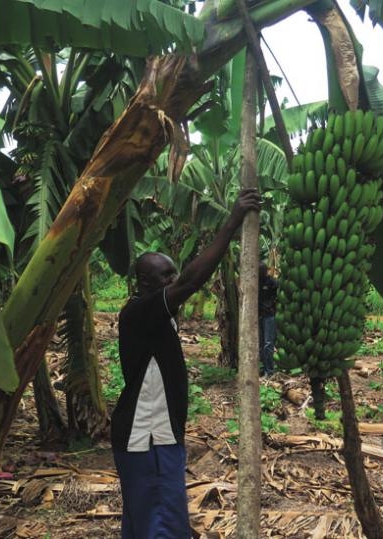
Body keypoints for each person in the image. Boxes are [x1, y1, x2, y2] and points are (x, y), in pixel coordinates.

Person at [111, 188, 260, 538]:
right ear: (146, 283)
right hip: (146, 437)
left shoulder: (158, 315)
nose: (174, 282)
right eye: (167, 277)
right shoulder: (139, 312)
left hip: (158, 436)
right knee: (158, 522)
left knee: (149, 518)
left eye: (173, 275)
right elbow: (194, 280)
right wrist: (233, 221)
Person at [258, 262, 278, 377]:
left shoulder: (272, 282)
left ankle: (269, 371)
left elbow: (277, 295)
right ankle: (263, 367)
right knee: (261, 344)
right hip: (259, 315)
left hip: (269, 316)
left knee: (268, 344)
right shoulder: (256, 282)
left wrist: (270, 305)